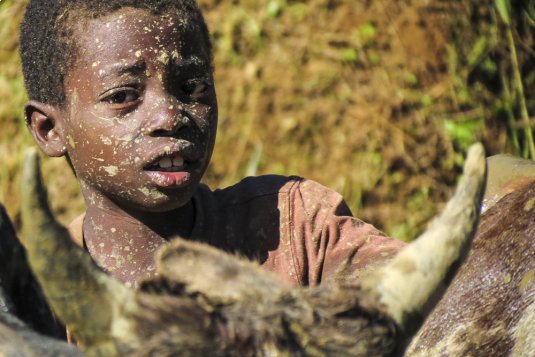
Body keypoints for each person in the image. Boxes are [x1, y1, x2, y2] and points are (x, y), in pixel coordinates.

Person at [19, 0, 404, 289]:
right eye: (123, 96)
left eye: (194, 88)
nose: (170, 116)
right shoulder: (36, 299)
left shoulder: (295, 227)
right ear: (49, 129)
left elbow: (427, 297)